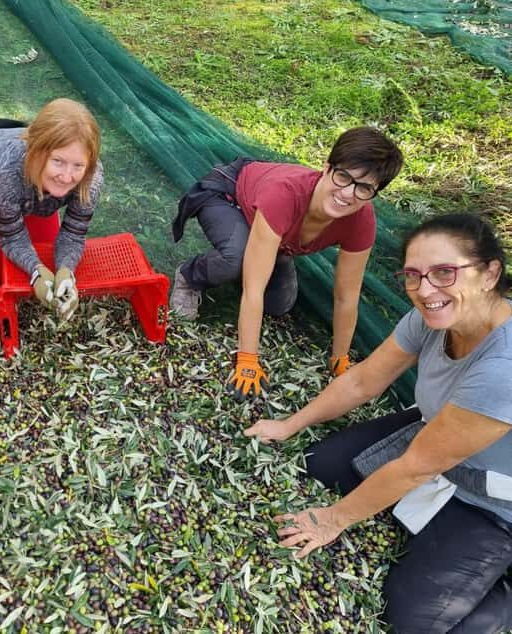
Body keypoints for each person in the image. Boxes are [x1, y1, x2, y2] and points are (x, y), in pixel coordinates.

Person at [245, 213, 512, 632]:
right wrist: (289, 424)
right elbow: (365, 380)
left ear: (489, 273)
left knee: (412, 620)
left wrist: (333, 520)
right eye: (413, 275)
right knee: (321, 463)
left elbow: (416, 467)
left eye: (444, 272)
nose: (425, 290)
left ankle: (495, 591)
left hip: (493, 499)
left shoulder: (504, 366)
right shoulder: (433, 317)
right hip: (435, 438)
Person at [170, 128, 403, 400]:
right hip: (228, 195)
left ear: (374, 194)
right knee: (237, 260)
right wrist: (247, 361)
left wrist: (340, 360)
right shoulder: (285, 195)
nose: (347, 194)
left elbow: (346, 296)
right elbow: (253, 289)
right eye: (343, 177)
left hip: (271, 225)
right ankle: (190, 275)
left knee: (279, 304)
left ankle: (269, 248)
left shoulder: (361, 220)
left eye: (363, 188)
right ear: (326, 168)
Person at [0, 98, 103, 321]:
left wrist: (66, 272)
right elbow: (12, 237)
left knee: (44, 253)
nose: (67, 177)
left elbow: (74, 235)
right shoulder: (4, 174)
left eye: (78, 166)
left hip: (30, 182)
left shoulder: (90, 179)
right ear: (38, 152)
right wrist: (36, 272)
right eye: (58, 161)